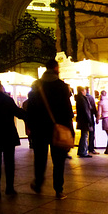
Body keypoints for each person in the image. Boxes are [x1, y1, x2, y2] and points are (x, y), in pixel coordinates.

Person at [26, 59, 74, 199]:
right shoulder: (61, 86)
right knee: (59, 160)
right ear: (55, 68)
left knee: (40, 158)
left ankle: (38, 183)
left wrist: (30, 126)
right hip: (57, 127)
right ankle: (58, 190)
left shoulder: (36, 85)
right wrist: (69, 130)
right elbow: (67, 111)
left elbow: (30, 108)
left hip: (39, 129)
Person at [74, 86, 94, 158]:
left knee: (84, 135)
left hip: (82, 120)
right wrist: (89, 120)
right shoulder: (82, 99)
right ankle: (83, 151)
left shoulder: (78, 99)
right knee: (85, 136)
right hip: (85, 121)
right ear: (82, 91)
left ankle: (81, 150)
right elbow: (86, 111)